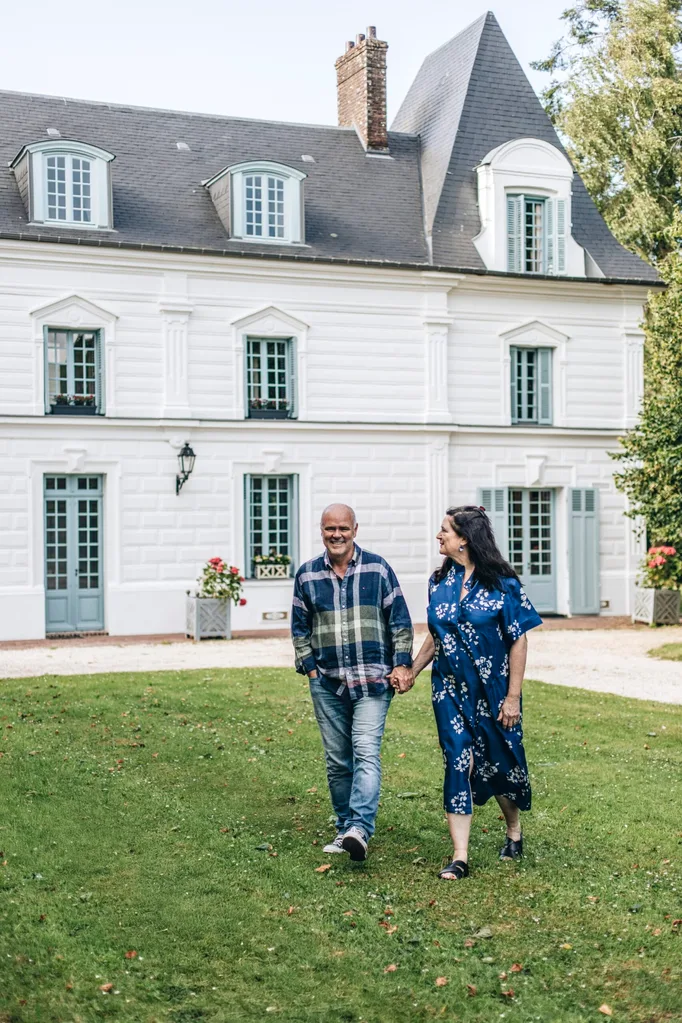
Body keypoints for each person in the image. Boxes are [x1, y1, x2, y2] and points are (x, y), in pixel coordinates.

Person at [392, 505, 542, 880]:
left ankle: (513, 830)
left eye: (445, 530)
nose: (439, 536)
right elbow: (437, 635)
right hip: (449, 689)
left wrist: (512, 697)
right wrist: (412, 668)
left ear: (465, 539)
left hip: (494, 691)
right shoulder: (437, 581)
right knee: (458, 758)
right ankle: (460, 855)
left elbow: (518, 641)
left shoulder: (503, 583)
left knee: (500, 761)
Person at [291, 503, 413, 861]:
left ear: (355, 530)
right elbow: (299, 628)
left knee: (365, 750)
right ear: (321, 531)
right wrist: (311, 669)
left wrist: (402, 663)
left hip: (373, 682)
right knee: (337, 760)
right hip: (327, 682)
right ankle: (345, 826)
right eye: (330, 529)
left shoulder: (378, 569)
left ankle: (360, 827)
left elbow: (400, 622)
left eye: (343, 528)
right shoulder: (308, 575)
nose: (337, 535)